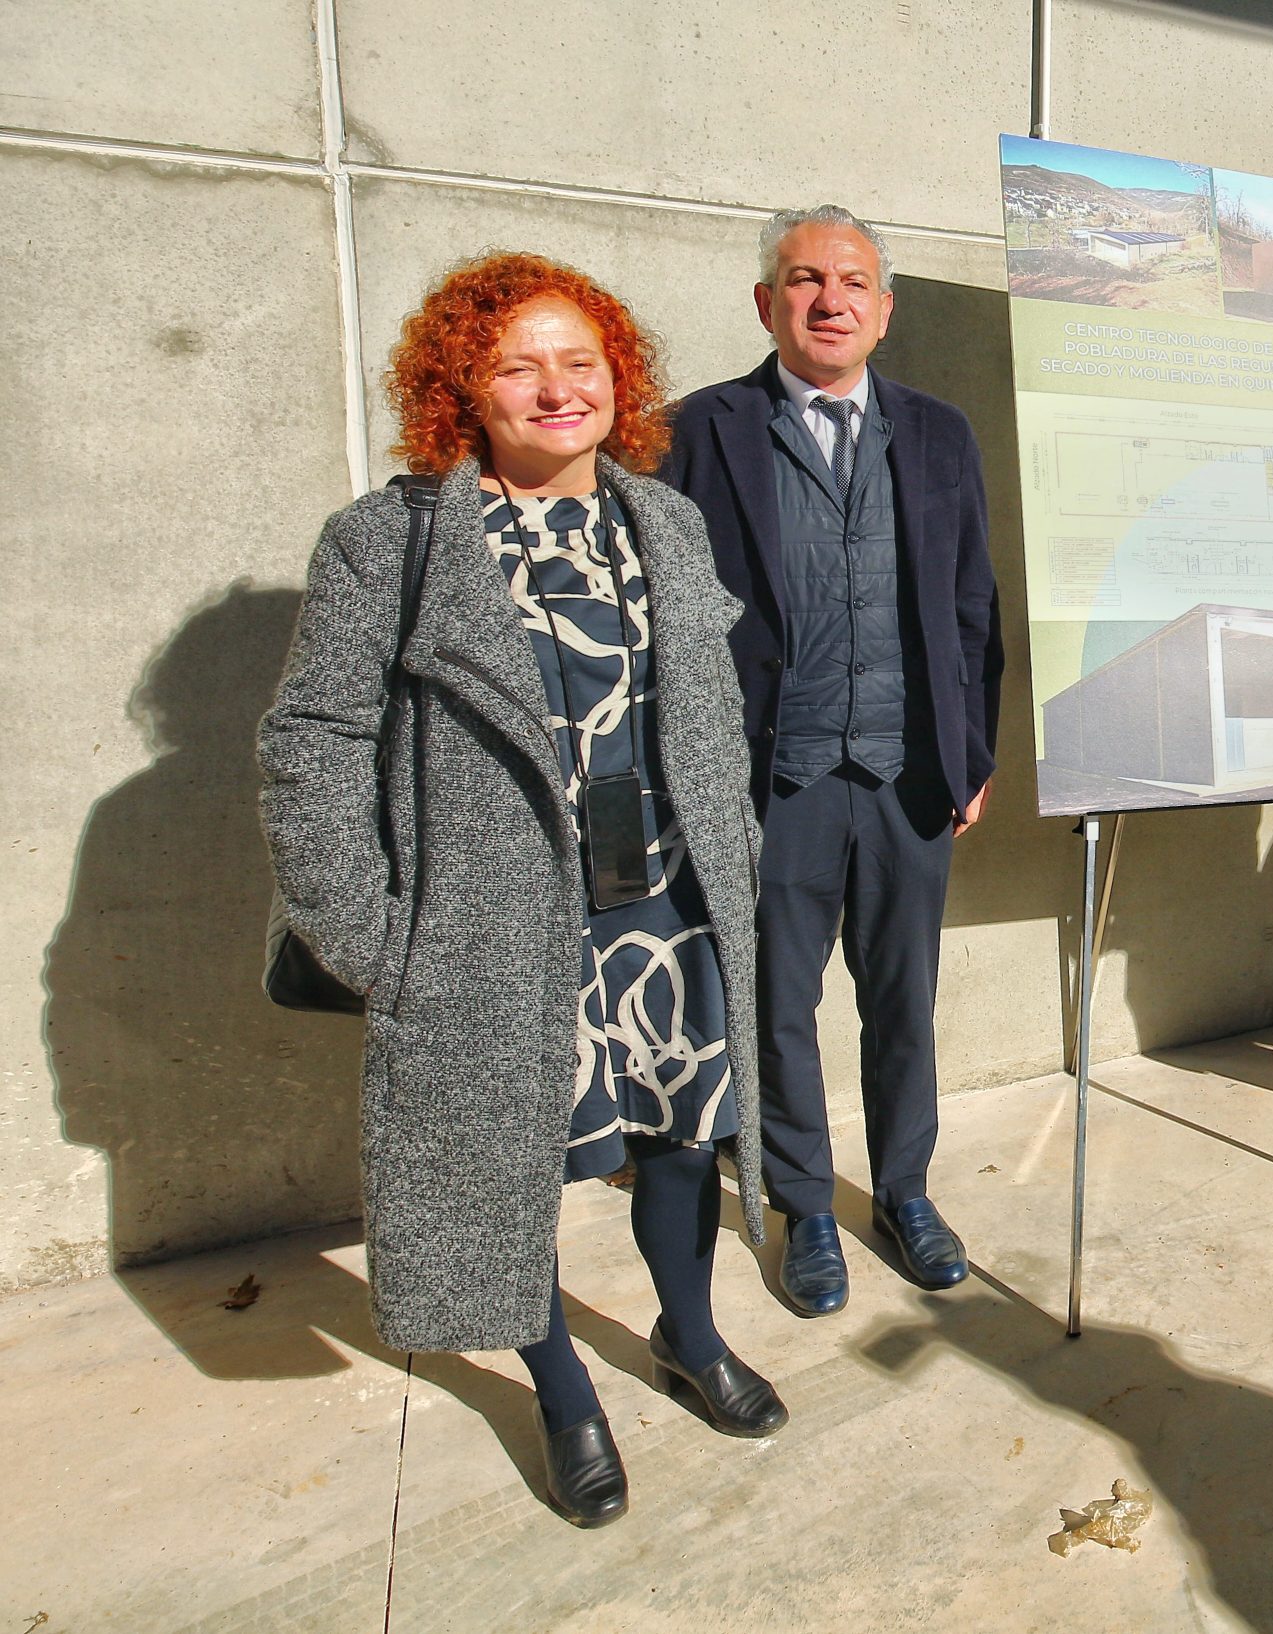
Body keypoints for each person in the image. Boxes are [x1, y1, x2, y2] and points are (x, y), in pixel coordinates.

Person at [261, 253, 786, 1529]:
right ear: (463, 388)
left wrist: (737, 858)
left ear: (619, 378)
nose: (557, 387)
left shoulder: (661, 519)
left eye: (580, 360)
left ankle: (686, 1331)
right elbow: (311, 739)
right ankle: (561, 1389)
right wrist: (381, 942)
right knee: (511, 1167)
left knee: (678, 1141)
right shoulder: (390, 542)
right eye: (517, 364)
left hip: (666, 909)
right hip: (494, 928)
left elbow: (707, 715)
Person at [660, 207, 1002, 1309]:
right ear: (767, 303)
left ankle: (903, 1188)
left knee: (904, 999)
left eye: (853, 280)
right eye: (804, 278)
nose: (830, 299)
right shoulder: (697, 431)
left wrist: (972, 750)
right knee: (775, 1004)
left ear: (884, 309)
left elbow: (970, 604)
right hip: (776, 780)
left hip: (908, 774)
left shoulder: (940, 431)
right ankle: (806, 1203)